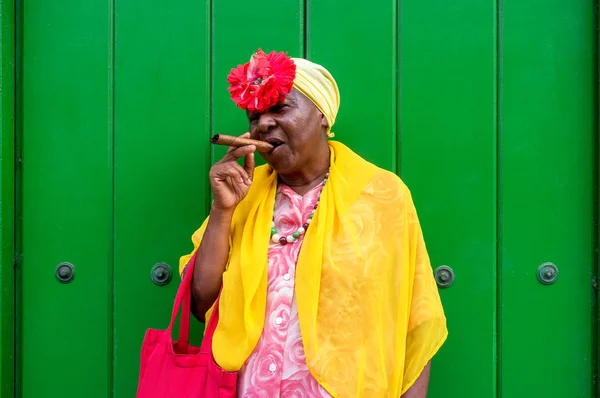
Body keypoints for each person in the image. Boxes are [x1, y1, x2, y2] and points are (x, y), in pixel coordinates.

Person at [179, 49, 447, 397]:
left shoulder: (380, 196)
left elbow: (416, 322)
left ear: (321, 115)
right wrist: (223, 210)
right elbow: (201, 303)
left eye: (279, 108)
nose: (263, 124)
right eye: (254, 115)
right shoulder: (243, 195)